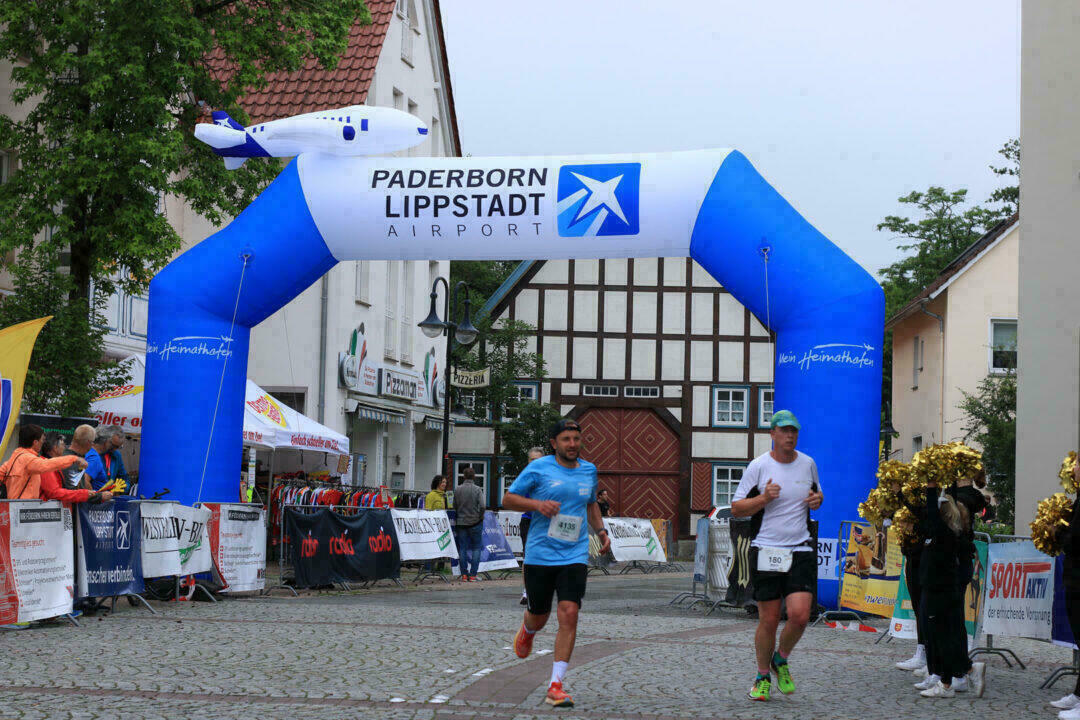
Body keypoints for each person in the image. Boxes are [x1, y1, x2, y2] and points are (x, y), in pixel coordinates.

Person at [503, 419, 610, 709]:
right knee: (539, 615)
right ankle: (528, 630)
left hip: (574, 554)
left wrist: (601, 531)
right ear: (554, 443)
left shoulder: (589, 470)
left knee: (569, 612)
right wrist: (537, 505)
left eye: (576, 438)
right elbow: (508, 499)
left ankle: (556, 685)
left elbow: (590, 504)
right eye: (566, 439)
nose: (573, 444)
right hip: (540, 554)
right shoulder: (539, 468)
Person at [730, 410, 823, 702]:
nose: (789, 436)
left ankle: (780, 658)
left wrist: (818, 500)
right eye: (784, 430)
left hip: (800, 548)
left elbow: (817, 496)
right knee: (769, 620)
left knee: (800, 616)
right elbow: (737, 508)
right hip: (767, 549)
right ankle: (762, 676)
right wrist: (764, 498)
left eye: (794, 431)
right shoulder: (759, 466)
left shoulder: (808, 464)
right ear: (772, 434)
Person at [915, 478, 986, 698]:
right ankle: (966, 671)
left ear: (941, 515)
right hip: (937, 589)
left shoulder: (944, 533)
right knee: (943, 636)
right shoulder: (937, 533)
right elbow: (923, 515)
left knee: (943, 637)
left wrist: (931, 486)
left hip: (941, 590)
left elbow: (931, 512)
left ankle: (950, 681)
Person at [1052, 459, 1080, 718]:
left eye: (1078, 463)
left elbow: (1076, 539)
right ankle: (1078, 694)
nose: (1074, 468)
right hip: (1074, 577)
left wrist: (1059, 532)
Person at [894, 482, 928, 672]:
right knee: (918, 607)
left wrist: (900, 494)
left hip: (924, 559)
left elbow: (919, 513)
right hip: (912, 558)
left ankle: (930, 657)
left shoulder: (925, 505)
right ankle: (922, 652)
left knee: (925, 609)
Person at [1, 424, 87, 500]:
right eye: (42, 440)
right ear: (35, 442)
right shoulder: (29, 459)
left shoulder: (14, 457)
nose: (43, 443)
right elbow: (46, 465)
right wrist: (74, 459)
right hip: (24, 509)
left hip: (14, 508)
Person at [38, 433, 112, 504]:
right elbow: (55, 493)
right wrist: (86, 494)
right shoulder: (47, 467)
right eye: (63, 444)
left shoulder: (53, 465)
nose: (65, 447)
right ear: (55, 448)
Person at [519, 447, 546, 606]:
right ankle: (527, 591)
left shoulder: (550, 477)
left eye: (538, 460)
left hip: (545, 522)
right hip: (528, 521)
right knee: (528, 557)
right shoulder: (524, 478)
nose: (535, 463)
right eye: (532, 460)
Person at [454, 467, 485, 581]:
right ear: (474, 477)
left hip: (461, 522)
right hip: (475, 522)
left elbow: (454, 505)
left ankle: (464, 574)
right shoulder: (477, 489)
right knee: (476, 548)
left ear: (464, 476)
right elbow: (482, 506)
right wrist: (480, 516)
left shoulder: (458, 489)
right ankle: (473, 575)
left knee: (462, 548)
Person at [85, 425, 127, 492]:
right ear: (106, 441)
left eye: (119, 447)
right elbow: (84, 481)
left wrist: (120, 489)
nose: (114, 449)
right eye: (113, 445)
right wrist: (96, 496)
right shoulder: (94, 457)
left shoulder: (116, 455)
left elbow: (124, 478)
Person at [425, 475, 449, 574]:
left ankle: (439, 569)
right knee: (431, 548)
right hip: (433, 526)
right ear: (437, 483)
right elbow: (427, 510)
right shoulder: (431, 495)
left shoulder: (444, 496)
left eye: (445, 482)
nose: (444, 484)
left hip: (442, 527)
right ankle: (428, 569)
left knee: (442, 547)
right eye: (442, 482)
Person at [62, 424, 97, 490]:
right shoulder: (73, 462)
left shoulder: (65, 454)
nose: (92, 445)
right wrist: (99, 495)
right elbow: (73, 491)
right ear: (88, 443)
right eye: (92, 442)